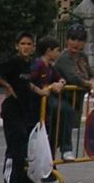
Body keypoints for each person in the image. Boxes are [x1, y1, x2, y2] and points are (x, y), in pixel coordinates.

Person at [0, 32, 53, 183]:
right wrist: (7, 86)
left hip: (23, 110)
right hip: (12, 110)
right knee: (14, 149)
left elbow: (26, 83)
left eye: (29, 44)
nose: (26, 47)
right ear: (17, 46)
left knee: (22, 150)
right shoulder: (13, 62)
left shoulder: (26, 64)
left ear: (33, 47)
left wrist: (40, 91)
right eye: (23, 44)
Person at [54, 24, 94, 160]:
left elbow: (90, 73)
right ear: (67, 40)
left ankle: (50, 164)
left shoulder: (82, 57)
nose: (76, 43)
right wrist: (91, 85)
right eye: (73, 39)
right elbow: (73, 78)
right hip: (60, 99)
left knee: (61, 131)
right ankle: (66, 150)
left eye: (80, 40)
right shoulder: (64, 58)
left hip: (75, 100)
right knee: (56, 131)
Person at [30, 35, 71, 167]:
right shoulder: (38, 65)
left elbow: (60, 78)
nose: (59, 53)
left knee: (52, 136)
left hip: (48, 107)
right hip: (39, 105)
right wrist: (41, 89)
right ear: (49, 51)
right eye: (57, 50)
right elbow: (28, 80)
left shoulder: (50, 67)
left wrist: (60, 83)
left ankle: (50, 167)